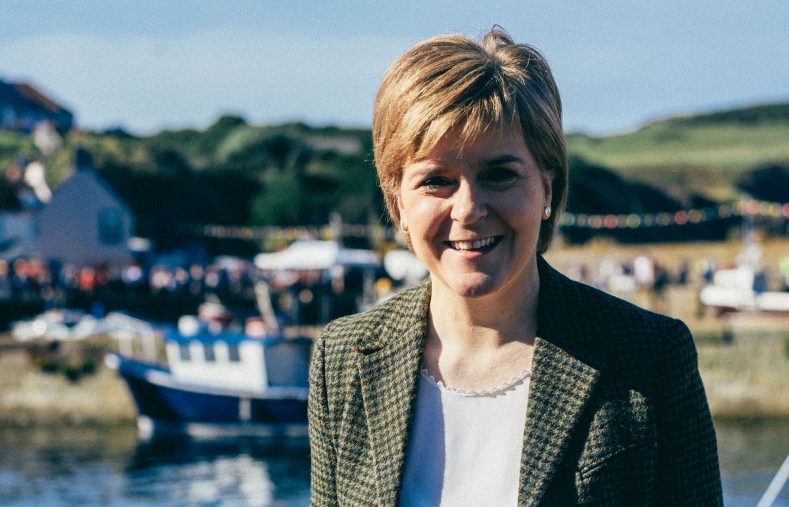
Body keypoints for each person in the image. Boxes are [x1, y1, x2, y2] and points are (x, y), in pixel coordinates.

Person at [309, 27, 722, 506]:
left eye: (499, 175)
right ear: (396, 200)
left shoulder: (650, 358)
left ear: (547, 187)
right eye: (437, 180)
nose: (468, 208)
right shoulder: (344, 358)